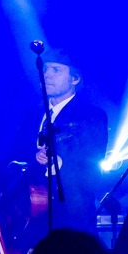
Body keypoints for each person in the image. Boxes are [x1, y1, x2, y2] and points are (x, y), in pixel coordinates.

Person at [28, 48, 109, 233]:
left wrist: (57, 161)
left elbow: (91, 165)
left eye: (56, 70)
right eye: (45, 69)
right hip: (32, 216)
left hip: (71, 217)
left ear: (75, 79)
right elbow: (15, 153)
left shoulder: (91, 115)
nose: (47, 75)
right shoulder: (31, 115)